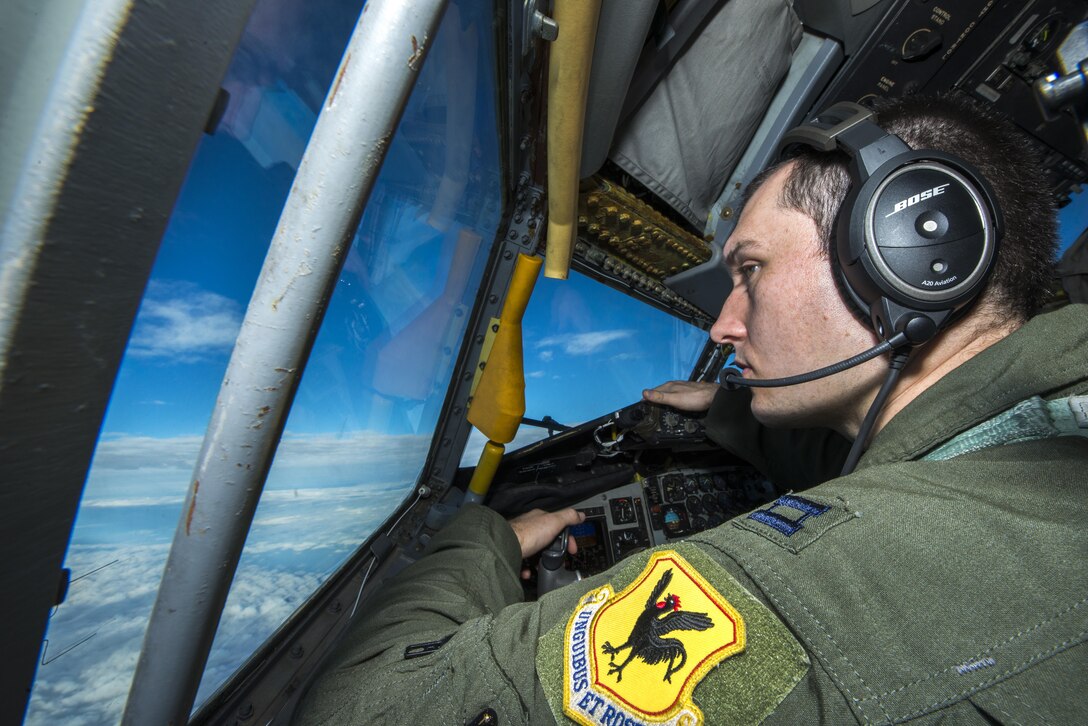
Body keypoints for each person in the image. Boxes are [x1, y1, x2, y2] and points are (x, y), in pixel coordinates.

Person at [295, 94, 1087, 725]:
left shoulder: (841, 579)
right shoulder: (1029, 437)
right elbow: (869, 454)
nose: (723, 325)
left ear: (909, 261)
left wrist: (483, 538)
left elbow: (361, 711)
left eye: (750, 269)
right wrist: (726, 409)